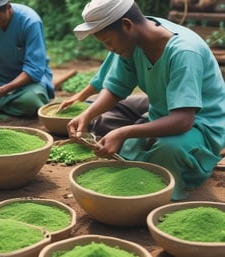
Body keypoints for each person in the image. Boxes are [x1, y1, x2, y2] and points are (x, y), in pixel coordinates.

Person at [64, 0, 225, 200]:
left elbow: (184, 121)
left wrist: (124, 132)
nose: (110, 49)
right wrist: (87, 115)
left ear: (127, 25)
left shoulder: (184, 52)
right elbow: (115, 89)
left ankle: (174, 175)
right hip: (161, 113)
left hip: (199, 126)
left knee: (170, 149)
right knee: (106, 121)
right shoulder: (133, 41)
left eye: (108, 41)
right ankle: (146, 138)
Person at [0, 0, 54, 117]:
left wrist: (4, 91)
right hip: (0, 80)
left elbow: (34, 69)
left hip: (30, 82)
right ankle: (11, 106)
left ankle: (2, 105)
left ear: (8, 7)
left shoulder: (30, 21)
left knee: (31, 101)